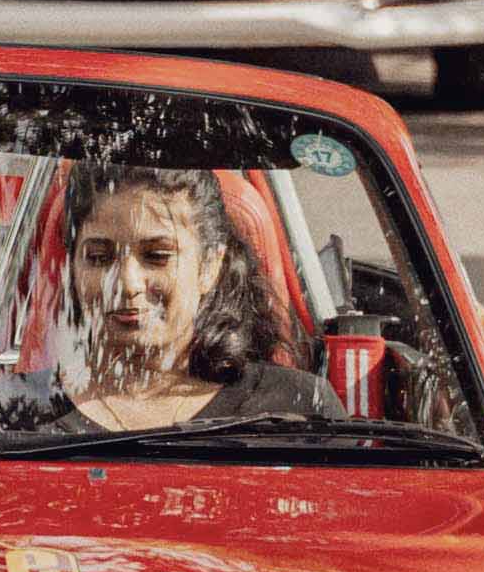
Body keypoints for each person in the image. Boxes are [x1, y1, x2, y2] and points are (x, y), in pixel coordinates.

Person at [55, 162, 342, 436]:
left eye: (157, 257)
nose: (127, 285)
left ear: (209, 267)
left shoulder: (297, 409)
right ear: (72, 269)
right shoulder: (18, 415)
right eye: (99, 258)